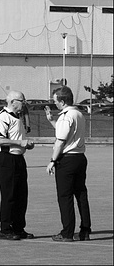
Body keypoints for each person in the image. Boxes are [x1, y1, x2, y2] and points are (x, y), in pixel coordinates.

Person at [45, 86, 92, 242]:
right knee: (81, 194)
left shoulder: (66, 116)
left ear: (63, 101)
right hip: (80, 157)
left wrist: (52, 160)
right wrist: (52, 121)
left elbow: (60, 141)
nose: (55, 104)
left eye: (56, 101)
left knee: (65, 197)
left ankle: (67, 232)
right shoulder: (78, 114)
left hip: (67, 160)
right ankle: (85, 230)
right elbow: (67, 133)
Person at [0, 91, 35, 241]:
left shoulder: (18, 117)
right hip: (6, 159)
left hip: (18, 158)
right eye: (22, 101)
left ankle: (19, 227)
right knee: (9, 195)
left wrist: (25, 145)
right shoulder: (3, 116)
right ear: (13, 102)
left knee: (21, 195)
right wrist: (20, 143)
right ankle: (5, 229)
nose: (24, 104)